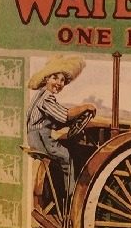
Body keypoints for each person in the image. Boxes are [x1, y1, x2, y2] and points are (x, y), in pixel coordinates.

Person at [25, 54, 96, 208]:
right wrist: (85, 107)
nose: (59, 83)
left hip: (35, 136)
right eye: (55, 78)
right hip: (40, 139)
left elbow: (56, 121)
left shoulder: (40, 95)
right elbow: (65, 115)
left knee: (64, 151)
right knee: (67, 158)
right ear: (46, 79)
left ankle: (62, 193)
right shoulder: (47, 98)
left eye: (62, 80)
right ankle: (72, 197)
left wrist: (73, 123)